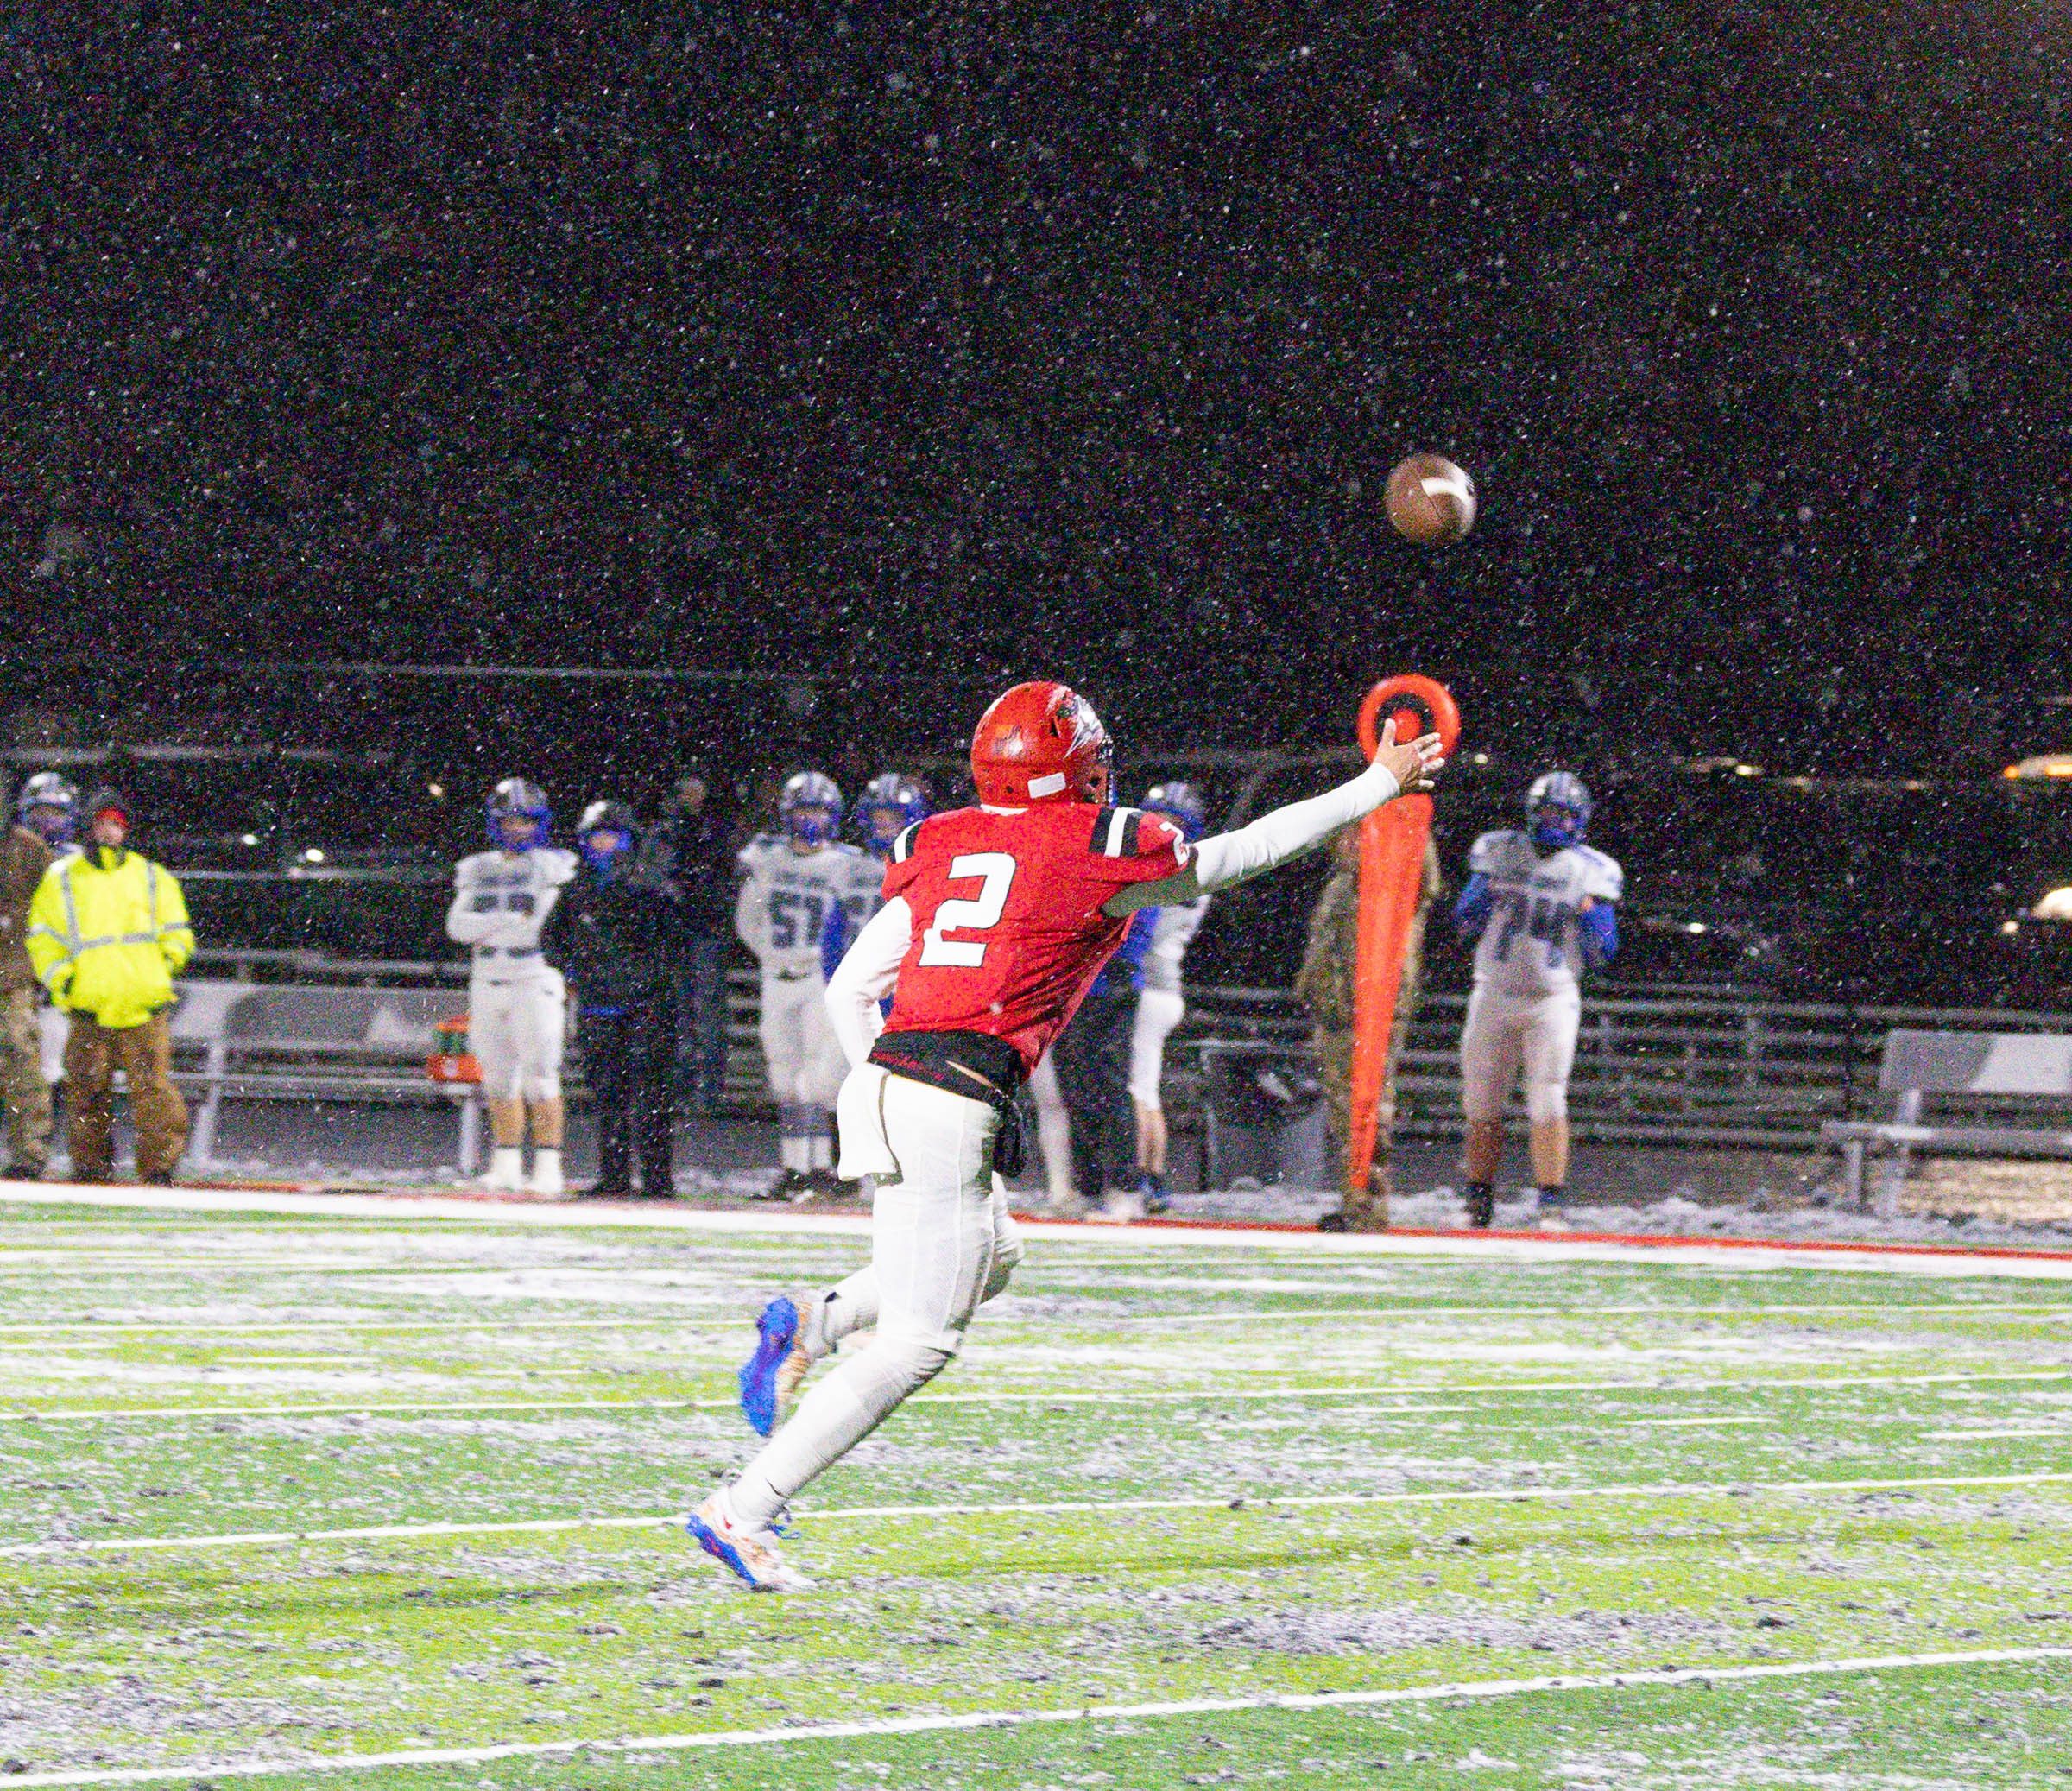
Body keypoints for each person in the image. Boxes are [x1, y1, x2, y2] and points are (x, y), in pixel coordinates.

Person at [692, 678, 1443, 1591]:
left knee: (994, 1255)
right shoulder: (1094, 846)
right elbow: (1245, 852)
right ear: (1075, 768)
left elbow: (851, 985)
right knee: (920, 1342)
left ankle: (817, 1321)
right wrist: (1376, 784)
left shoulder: (941, 842)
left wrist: (878, 1083)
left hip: (895, 1076)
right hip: (948, 1091)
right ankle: (744, 1508)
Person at [1453, 771, 1622, 1229]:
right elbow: (1463, 922)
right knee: (1481, 1100)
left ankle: (1550, 1201)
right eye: (1548, 812)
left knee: (1548, 1099)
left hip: (1552, 998)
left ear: (1580, 819)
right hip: (1494, 989)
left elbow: (1605, 951)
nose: (1554, 822)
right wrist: (1485, 894)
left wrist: (1589, 916)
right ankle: (1478, 1197)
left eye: (1564, 815)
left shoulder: (1592, 869)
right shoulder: (1499, 850)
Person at [26, 788, 192, 1184]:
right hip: (89, 1005)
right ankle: (91, 1167)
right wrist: (64, 980)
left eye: (116, 824)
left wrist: (163, 966)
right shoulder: (62, 878)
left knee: (153, 1092)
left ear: (127, 830)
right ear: (88, 827)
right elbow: (43, 938)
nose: (108, 831)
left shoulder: (152, 876)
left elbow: (177, 932)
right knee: (87, 1092)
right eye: (102, 823)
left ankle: (158, 1168)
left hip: (142, 1004)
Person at [1298, 826, 1443, 1231]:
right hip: (1335, 1014)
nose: (1348, 844)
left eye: (1359, 835)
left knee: (1368, 1109)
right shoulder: (1340, 887)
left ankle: (1369, 1204)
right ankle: (1355, 1199)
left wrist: (1403, 816)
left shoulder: (1393, 889)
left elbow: (1425, 876)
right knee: (1344, 1112)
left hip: (1371, 1012)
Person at [734, 771, 868, 1199]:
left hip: (819, 978)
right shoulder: (767, 859)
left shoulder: (848, 864)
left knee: (817, 1077)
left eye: (819, 811)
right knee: (783, 1078)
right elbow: (747, 921)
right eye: (804, 810)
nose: (811, 819)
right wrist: (772, 956)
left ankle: (821, 1167)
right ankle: (794, 1167)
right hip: (777, 978)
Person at [445, 778, 578, 1196]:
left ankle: (549, 1166)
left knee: (541, 1076)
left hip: (534, 975)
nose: (518, 828)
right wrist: (506, 921)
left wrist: (487, 926)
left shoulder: (555, 865)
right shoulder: (476, 866)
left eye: (525, 821)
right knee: (497, 1078)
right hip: (486, 977)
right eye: (510, 821)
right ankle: (505, 1165)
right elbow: (457, 927)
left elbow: (539, 928)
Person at [546, 801, 678, 1199]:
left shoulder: (650, 887)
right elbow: (551, 940)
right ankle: (615, 1176)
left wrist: (648, 981)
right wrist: (578, 970)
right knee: (608, 1096)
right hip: (599, 1006)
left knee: (652, 1096)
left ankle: (657, 1179)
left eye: (611, 837)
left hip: (647, 1007)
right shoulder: (576, 890)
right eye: (597, 837)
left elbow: (674, 941)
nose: (603, 845)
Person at [1128, 780, 1213, 1215]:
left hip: (1152, 989)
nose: (1157, 826)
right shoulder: (1194, 866)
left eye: (1168, 820)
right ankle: (1152, 1177)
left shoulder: (1178, 872)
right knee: (1145, 1089)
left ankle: (1148, 1177)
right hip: (1163, 989)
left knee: (1138, 1091)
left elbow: (1144, 931)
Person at [1051, 904, 1155, 1218]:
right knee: (1076, 1090)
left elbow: (1144, 911)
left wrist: (1124, 960)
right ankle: (1089, 1186)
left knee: (1110, 1087)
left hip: (1107, 984)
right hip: (1074, 986)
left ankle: (1124, 1188)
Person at [647, 769, 734, 1116]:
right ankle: (682, 1087)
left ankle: (708, 1089)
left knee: (707, 1010)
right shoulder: (667, 831)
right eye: (687, 792)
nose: (693, 797)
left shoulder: (715, 830)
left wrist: (711, 907)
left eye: (698, 791)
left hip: (706, 930)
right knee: (678, 1010)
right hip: (675, 932)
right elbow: (655, 877)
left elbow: (725, 878)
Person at [0, 775, 74, 1178]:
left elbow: (60, 909)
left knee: (20, 1058)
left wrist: (47, 965)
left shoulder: (29, 850)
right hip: (16, 967)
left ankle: (29, 1153)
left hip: (13, 973)